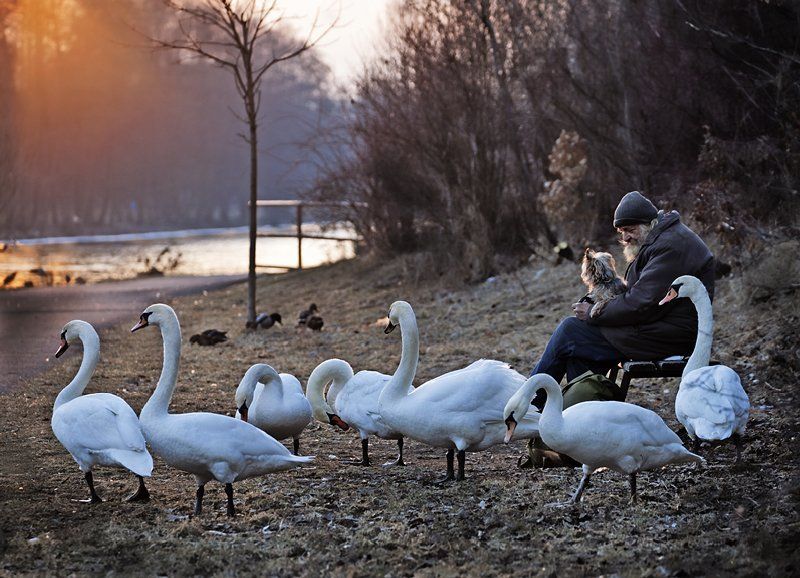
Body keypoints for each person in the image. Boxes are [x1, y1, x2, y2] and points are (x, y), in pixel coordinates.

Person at [523, 190, 715, 468]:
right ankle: (581, 438)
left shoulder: (670, 247)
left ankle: (530, 406)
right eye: (622, 232)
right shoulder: (663, 238)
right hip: (656, 327)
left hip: (667, 335)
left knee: (570, 331)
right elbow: (642, 300)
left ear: (648, 223)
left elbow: (642, 303)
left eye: (630, 230)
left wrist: (594, 312)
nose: (625, 237)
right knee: (579, 349)